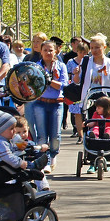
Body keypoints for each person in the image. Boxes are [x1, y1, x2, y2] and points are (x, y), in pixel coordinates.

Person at [30, 40, 68, 168]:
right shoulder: (36, 66)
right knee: (41, 133)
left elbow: (63, 85)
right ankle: (43, 159)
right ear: (40, 51)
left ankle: (53, 155)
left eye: (51, 50)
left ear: (56, 51)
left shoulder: (61, 66)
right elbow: (35, 86)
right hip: (40, 103)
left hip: (56, 103)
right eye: (45, 50)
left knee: (55, 133)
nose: (48, 53)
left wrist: (49, 80)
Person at [78, 34, 110, 112]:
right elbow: (78, 81)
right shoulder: (86, 62)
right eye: (92, 48)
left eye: (97, 47)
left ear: (104, 47)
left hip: (106, 101)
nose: (94, 50)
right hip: (89, 100)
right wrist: (76, 73)